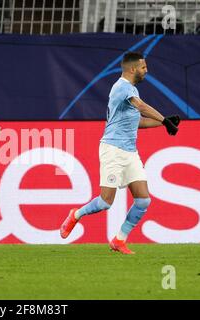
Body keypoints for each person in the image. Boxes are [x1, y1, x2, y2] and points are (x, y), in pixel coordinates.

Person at [60, 51, 180, 254]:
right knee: (106, 202)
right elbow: (141, 107)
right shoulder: (121, 87)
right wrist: (164, 119)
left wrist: (164, 121)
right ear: (133, 69)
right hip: (113, 150)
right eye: (143, 67)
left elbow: (138, 122)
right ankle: (76, 214)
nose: (146, 71)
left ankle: (119, 240)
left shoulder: (131, 90)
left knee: (143, 200)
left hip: (130, 152)